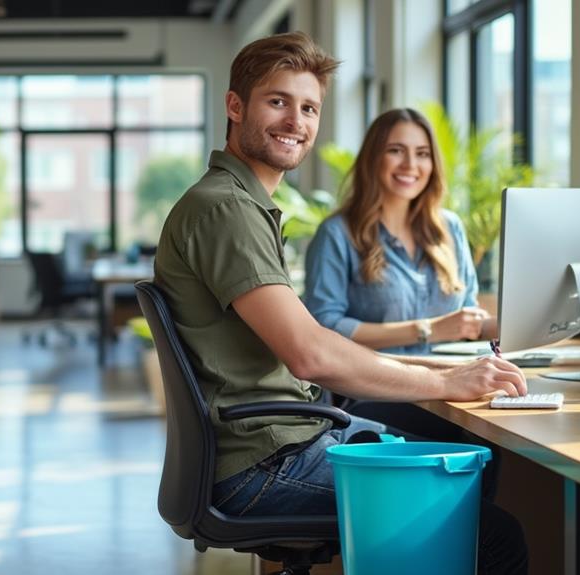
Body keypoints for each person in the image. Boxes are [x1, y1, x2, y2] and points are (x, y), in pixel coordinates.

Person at [153, 32, 528, 574]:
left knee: (470, 468)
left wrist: (446, 366)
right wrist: (446, 382)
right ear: (235, 106)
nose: (295, 121)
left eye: (309, 108)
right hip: (264, 463)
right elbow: (312, 355)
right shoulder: (226, 211)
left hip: (282, 440)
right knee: (493, 533)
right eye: (277, 101)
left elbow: (316, 340)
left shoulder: (243, 205)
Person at [304, 107, 495, 355]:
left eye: (422, 154)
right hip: (377, 390)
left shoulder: (450, 227)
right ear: (373, 158)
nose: (411, 164)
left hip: (452, 383)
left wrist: (532, 324)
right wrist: (427, 329)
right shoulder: (337, 233)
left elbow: (469, 322)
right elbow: (324, 327)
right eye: (396, 151)